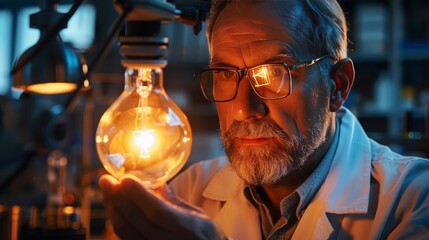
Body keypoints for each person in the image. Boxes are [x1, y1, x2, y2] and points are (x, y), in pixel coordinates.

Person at [99, 0, 429, 239]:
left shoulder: (414, 198)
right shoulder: (186, 192)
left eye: (273, 73)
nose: (244, 109)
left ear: (337, 86)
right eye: (226, 73)